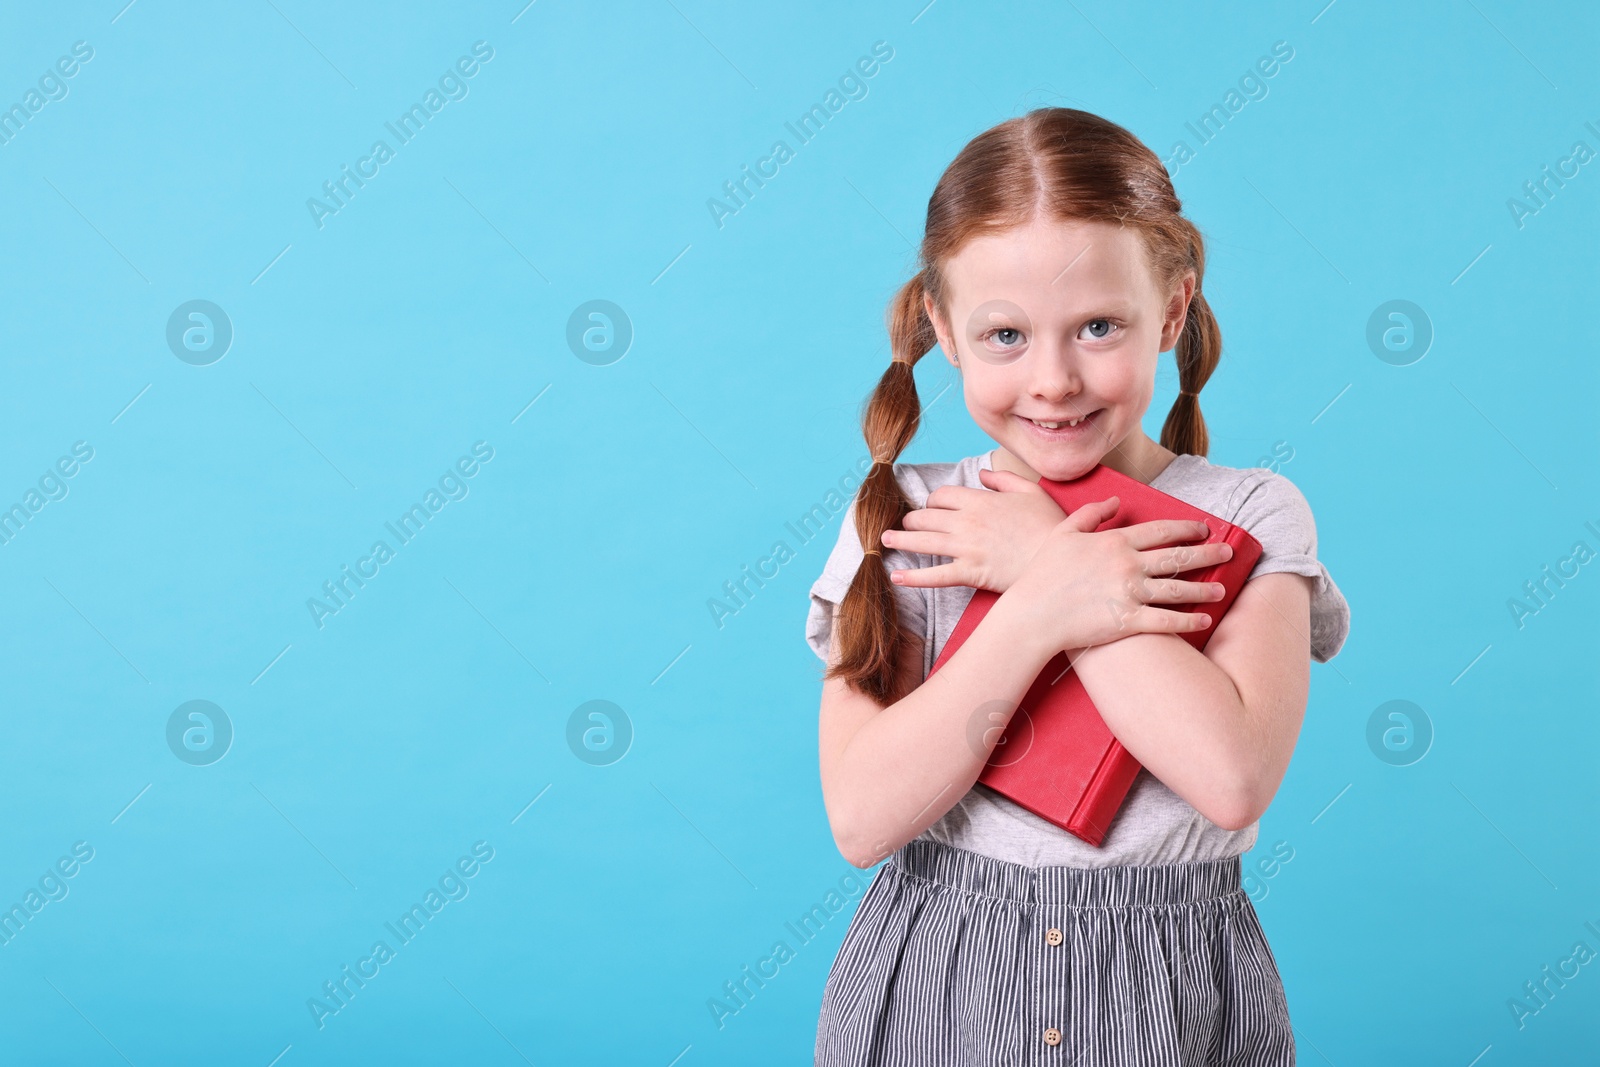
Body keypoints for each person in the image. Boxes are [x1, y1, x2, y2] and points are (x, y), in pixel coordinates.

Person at [804, 107, 1351, 1066]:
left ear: (1173, 311)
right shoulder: (906, 520)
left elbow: (1230, 778)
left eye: (1098, 326)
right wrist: (1041, 603)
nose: (1053, 379)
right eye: (1006, 334)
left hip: (1168, 995)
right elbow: (862, 818)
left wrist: (1052, 557)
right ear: (944, 329)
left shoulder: (1257, 515)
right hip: (938, 987)